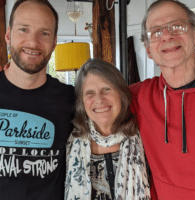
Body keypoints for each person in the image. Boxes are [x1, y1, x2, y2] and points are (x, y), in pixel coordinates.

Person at [0, 0, 75, 199]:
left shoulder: (72, 99)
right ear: (8, 35)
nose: (33, 42)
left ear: (54, 42)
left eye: (44, 33)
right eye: (23, 29)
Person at [130, 0, 195, 199]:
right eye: (156, 32)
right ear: (148, 50)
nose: (167, 36)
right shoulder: (139, 96)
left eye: (177, 26)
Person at [64, 59, 150, 200]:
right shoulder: (69, 140)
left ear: (121, 94)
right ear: (82, 101)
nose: (99, 99)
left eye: (106, 89)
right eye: (90, 93)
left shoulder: (145, 135)